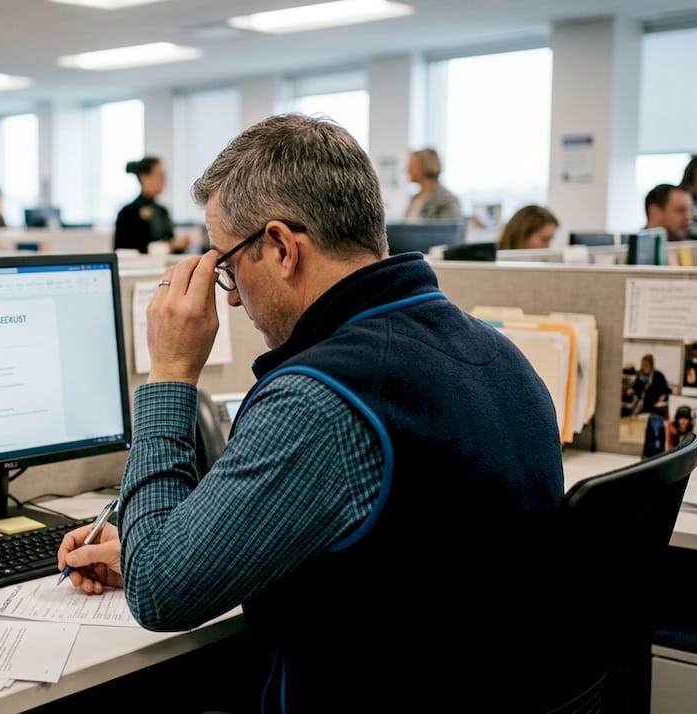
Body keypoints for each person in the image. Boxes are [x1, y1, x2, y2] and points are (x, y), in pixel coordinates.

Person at [58, 113, 572, 711]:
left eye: (227, 264)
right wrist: (166, 548)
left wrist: (170, 373)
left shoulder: (323, 397)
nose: (229, 293)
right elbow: (408, 556)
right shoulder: (494, 348)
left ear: (279, 247)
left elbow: (159, 598)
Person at [113, 156, 187, 254]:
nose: (165, 181)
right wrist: (168, 246)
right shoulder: (127, 213)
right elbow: (125, 251)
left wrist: (179, 245)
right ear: (144, 178)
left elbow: (171, 243)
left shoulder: (162, 211)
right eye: (160, 175)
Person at [403, 147, 462, 220]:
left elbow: (449, 230)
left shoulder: (447, 200)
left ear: (425, 166)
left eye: (412, 165)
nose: (407, 169)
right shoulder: (414, 199)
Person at [624, 353, 672, 418]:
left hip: (651, 405)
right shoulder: (640, 375)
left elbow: (667, 390)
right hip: (638, 403)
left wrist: (664, 395)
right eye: (642, 364)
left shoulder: (658, 376)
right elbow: (635, 388)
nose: (643, 367)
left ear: (651, 365)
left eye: (646, 365)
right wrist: (631, 390)